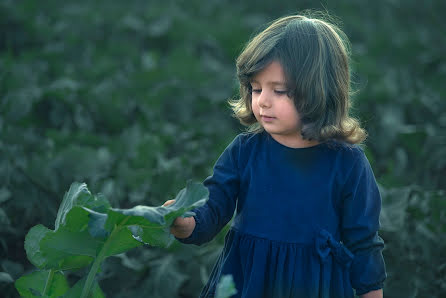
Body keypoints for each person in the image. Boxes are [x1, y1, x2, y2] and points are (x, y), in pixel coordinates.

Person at [163, 13, 386, 298]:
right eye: (256, 89)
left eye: (279, 91)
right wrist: (185, 222)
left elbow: (363, 242)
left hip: (314, 286)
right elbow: (214, 207)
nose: (263, 101)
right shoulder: (245, 151)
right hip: (247, 282)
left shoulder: (347, 163)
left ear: (319, 92)